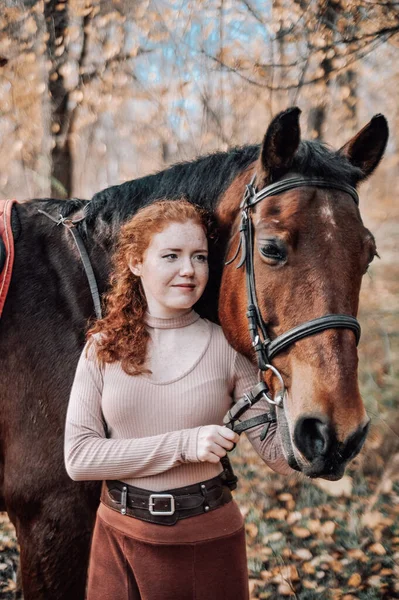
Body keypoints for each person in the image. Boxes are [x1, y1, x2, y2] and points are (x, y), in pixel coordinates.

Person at [64, 199, 293, 600]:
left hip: (206, 538)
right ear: (136, 262)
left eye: (200, 257)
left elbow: (279, 457)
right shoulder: (103, 347)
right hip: (118, 535)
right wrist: (185, 445)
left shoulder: (226, 346)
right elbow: (79, 458)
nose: (189, 270)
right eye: (171, 255)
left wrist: (303, 379)